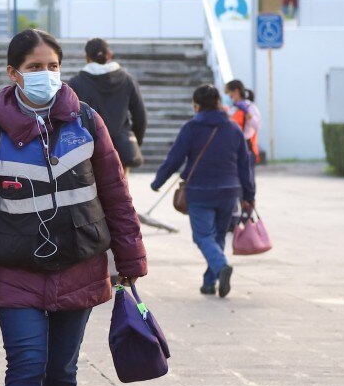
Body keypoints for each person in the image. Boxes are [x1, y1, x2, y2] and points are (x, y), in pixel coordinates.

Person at [0, 30, 146, 386]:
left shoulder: (87, 121)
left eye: (53, 66)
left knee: (61, 370)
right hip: (14, 268)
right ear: (13, 73)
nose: (46, 74)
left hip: (80, 264)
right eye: (34, 67)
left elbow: (116, 195)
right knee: (26, 365)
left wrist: (130, 258)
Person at [151, 84, 255, 298]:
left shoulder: (191, 128)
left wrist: (158, 181)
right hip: (229, 193)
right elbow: (245, 166)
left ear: (197, 106)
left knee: (203, 236)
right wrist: (249, 195)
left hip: (200, 192)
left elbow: (174, 158)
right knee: (218, 237)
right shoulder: (233, 128)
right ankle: (209, 283)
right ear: (219, 103)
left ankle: (221, 266)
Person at [67, 38, 147, 169]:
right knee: (121, 181)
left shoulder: (76, 82)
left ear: (87, 57)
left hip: (91, 152)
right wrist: (134, 143)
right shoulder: (127, 79)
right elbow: (140, 117)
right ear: (109, 54)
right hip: (121, 150)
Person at [225, 79, 263, 166]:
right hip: (233, 145)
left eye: (228, 92)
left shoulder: (250, 106)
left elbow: (258, 126)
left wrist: (247, 113)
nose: (228, 96)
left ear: (236, 91)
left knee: (247, 173)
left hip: (247, 146)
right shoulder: (232, 108)